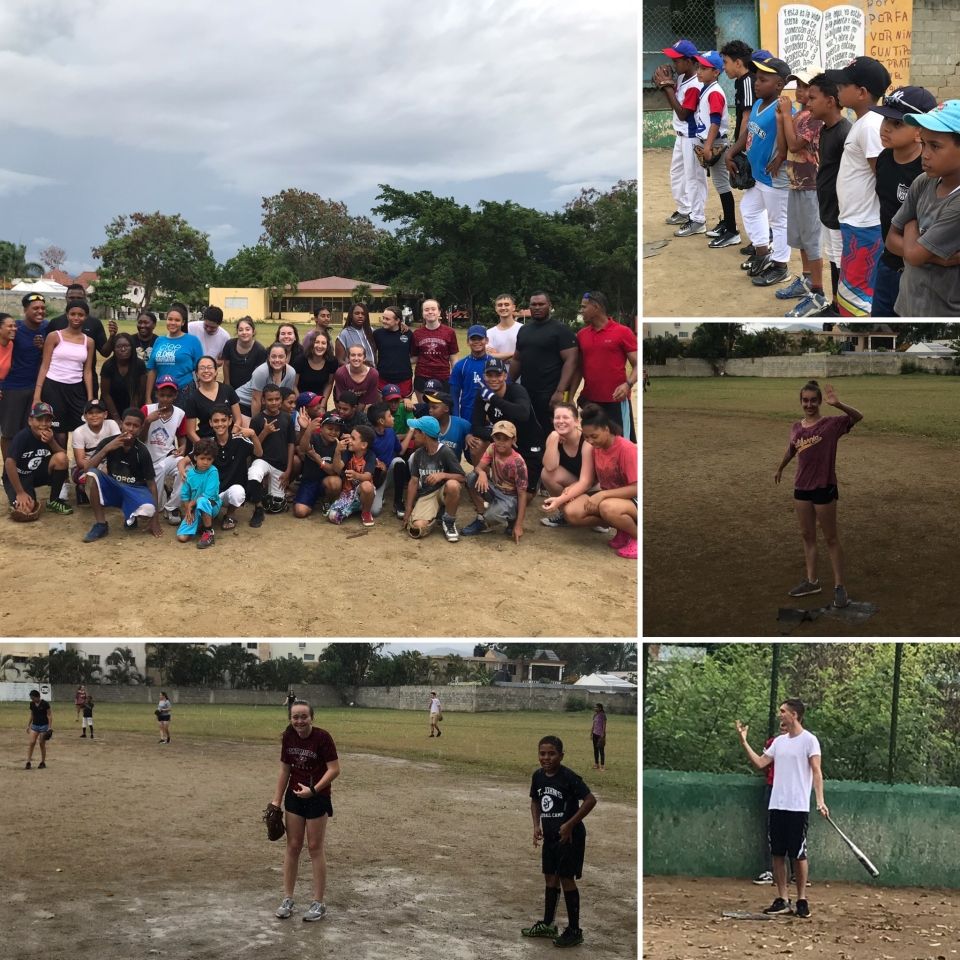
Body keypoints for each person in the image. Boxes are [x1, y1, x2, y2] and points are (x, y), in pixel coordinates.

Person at [736, 699, 828, 920]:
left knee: (798, 854)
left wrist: (820, 800)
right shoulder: (778, 742)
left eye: (783, 711)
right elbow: (760, 763)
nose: (780, 715)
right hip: (777, 804)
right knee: (777, 854)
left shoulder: (810, 741)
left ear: (794, 715)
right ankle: (782, 899)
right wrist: (743, 741)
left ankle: (802, 899)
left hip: (797, 807)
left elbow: (817, 772)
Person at [774, 380, 863, 608]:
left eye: (814, 400)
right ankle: (812, 581)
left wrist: (839, 404)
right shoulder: (796, 427)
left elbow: (858, 417)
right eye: (805, 400)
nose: (809, 404)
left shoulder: (831, 425)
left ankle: (839, 586)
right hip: (801, 488)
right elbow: (793, 449)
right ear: (801, 401)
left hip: (824, 487)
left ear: (820, 401)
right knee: (807, 536)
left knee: (831, 538)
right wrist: (781, 467)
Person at [823, 56, 892, 316]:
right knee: (852, 291)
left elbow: (882, 179)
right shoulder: (864, 123)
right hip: (856, 222)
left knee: (858, 297)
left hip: (866, 225)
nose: (837, 89)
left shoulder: (871, 126)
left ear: (862, 92)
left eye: (843, 85)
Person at [521, 735, 597, 949]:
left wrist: (571, 824)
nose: (546, 758)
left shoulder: (568, 777)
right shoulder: (538, 777)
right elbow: (536, 801)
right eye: (542, 754)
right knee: (550, 878)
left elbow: (590, 800)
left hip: (570, 838)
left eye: (552, 754)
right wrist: (536, 825)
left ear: (561, 756)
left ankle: (574, 930)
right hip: (551, 837)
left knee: (566, 879)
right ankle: (547, 924)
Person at [886, 99, 960, 316]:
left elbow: (915, 254)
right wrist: (937, 257)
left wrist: (910, 224)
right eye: (924, 144)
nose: (925, 154)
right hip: (908, 303)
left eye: (935, 146)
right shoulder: (924, 181)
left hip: (942, 312)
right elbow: (890, 240)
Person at [869, 86, 936, 317]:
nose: (886, 127)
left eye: (897, 123)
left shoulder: (928, 172)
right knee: (879, 318)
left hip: (919, 270)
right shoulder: (884, 159)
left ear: (920, 130)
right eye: (885, 119)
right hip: (887, 263)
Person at [271, 699, 341, 923]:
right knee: (293, 846)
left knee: (314, 847)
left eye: (304, 716)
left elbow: (334, 769)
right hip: (294, 797)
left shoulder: (322, 738)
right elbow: (285, 770)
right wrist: (276, 801)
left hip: (317, 797)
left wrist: (314, 789)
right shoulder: (288, 736)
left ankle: (318, 903)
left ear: (312, 717)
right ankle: (288, 899)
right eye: (295, 717)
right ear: (290, 719)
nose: (299, 721)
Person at [726, 57, 793, 287]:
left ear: (779, 85)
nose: (757, 82)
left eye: (764, 79)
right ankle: (763, 252)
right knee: (749, 209)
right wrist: (731, 152)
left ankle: (781, 266)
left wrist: (781, 157)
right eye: (757, 78)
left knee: (779, 221)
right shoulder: (758, 104)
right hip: (758, 175)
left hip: (774, 177)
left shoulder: (783, 108)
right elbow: (748, 132)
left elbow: (790, 139)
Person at [549, 404, 637, 559]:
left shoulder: (626, 449)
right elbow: (585, 481)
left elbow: (637, 488)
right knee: (571, 511)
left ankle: (637, 537)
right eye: (586, 437)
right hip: (613, 498)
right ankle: (622, 529)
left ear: (607, 429)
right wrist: (559, 500)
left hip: (634, 501)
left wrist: (602, 495)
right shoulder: (596, 448)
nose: (589, 441)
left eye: (594, 436)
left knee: (607, 506)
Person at [775, 68, 827, 317]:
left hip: (810, 185)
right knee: (801, 237)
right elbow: (785, 148)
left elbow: (796, 144)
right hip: (796, 182)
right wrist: (781, 120)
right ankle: (807, 280)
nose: (800, 91)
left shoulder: (814, 118)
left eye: (805, 87)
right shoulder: (798, 115)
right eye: (798, 86)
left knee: (812, 239)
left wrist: (785, 115)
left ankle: (818, 291)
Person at [806, 73, 852, 316]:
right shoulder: (825, 129)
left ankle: (842, 308)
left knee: (842, 262)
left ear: (831, 101)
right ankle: (836, 304)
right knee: (834, 259)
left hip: (839, 211)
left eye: (813, 98)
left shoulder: (846, 133)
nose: (807, 102)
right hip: (827, 208)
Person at [82, 407, 164, 542]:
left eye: (136, 426)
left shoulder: (142, 451)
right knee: (92, 475)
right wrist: (106, 449)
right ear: (121, 424)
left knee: (148, 510)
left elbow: (151, 484)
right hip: (114, 487)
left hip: (135, 490)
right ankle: (101, 524)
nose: (131, 429)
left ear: (141, 428)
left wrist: (155, 520)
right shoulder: (108, 442)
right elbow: (87, 468)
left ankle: (131, 514)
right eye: (128, 424)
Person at [469, 358, 545, 499]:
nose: (493, 379)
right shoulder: (483, 395)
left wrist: (494, 399)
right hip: (506, 445)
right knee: (476, 443)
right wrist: (500, 438)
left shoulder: (516, 390)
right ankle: (485, 483)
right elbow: (476, 427)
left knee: (525, 496)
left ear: (504, 375)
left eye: (497, 375)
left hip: (528, 443)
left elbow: (523, 414)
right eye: (489, 375)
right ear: (484, 376)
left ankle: (537, 478)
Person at [654, 38, 705, 235]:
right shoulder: (683, 78)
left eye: (677, 60)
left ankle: (698, 219)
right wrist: (669, 85)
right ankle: (685, 210)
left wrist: (667, 88)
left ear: (690, 61)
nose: (674, 64)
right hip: (681, 135)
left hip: (692, 136)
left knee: (694, 178)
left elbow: (684, 113)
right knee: (677, 174)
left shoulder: (694, 85)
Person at [510, 292, 578, 441]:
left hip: (551, 392)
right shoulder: (524, 330)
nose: (537, 307)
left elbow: (571, 360)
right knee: (530, 432)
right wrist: (508, 383)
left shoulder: (561, 330)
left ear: (550, 306)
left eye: (541, 304)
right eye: (533, 304)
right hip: (527, 392)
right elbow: (517, 359)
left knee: (554, 433)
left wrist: (560, 391)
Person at [572, 292, 638, 441]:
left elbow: (637, 365)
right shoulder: (581, 335)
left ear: (595, 307)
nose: (581, 310)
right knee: (591, 443)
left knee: (620, 443)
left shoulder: (623, 332)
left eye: (584, 307)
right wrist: (570, 396)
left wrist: (628, 384)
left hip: (616, 402)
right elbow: (578, 369)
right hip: (590, 401)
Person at [33, 297, 95, 450]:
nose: (76, 318)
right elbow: (44, 366)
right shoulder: (54, 336)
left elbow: (87, 372)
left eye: (80, 315)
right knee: (59, 432)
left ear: (86, 317)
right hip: (53, 387)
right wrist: (37, 395)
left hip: (76, 389)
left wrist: (90, 398)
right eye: (73, 314)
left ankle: (80, 468)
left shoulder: (89, 342)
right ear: (67, 315)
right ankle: (60, 469)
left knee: (83, 428)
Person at [694, 50, 740, 248]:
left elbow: (714, 121)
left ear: (716, 72)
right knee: (720, 186)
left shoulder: (714, 92)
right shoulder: (708, 89)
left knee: (723, 187)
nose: (699, 71)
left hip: (716, 143)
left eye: (704, 68)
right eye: (699, 67)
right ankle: (727, 225)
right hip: (712, 142)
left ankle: (732, 231)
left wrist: (707, 145)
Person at [46, 282, 118, 396]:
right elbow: (46, 355)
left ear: (85, 299)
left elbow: (105, 352)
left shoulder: (94, 323)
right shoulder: (55, 323)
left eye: (79, 298)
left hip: (86, 381)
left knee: (87, 413)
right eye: (71, 298)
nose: (75, 301)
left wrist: (112, 336)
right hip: (58, 381)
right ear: (66, 298)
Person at [461, 420, 528, 542]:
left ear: (513, 440)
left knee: (492, 516)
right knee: (471, 478)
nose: (501, 442)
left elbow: (522, 494)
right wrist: (481, 473)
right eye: (497, 438)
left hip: (510, 497)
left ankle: (511, 519)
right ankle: (482, 516)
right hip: (496, 488)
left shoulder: (518, 462)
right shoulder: (492, 448)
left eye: (505, 439)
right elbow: (478, 468)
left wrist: (519, 525)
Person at [0, 293, 48, 463]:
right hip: (12, 388)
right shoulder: (15, 329)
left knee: (31, 430)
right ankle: (8, 469)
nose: (40, 311)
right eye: (35, 308)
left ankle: (24, 466)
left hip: (37, 388)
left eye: (43, 308)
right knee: (9, 432)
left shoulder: (47, 328)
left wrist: (43, 348)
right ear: (25, 310)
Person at [3, 401, 72, 516]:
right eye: (39, 419)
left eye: (48, 420)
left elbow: (64, 457)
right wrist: (20, 492)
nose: (43, 424)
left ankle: (54, 501)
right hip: (19, 476)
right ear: (30, 421)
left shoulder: (50, 434)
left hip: (36, 473)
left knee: (61, 458)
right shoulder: (23, 436)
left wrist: (51, 442)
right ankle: (19, 497)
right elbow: (9, 463)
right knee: (26, 510)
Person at [403, 415, 465, 541]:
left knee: (453, 485)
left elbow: (462, 477)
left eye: (416, 431)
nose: (414, 434)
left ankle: (449, 521)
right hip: (427, 494)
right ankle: (437, 515)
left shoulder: (445, 452)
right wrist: (408, 509)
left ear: (424, 434)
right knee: (418, 527)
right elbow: (414, 482)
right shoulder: (418, 454)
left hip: (443, 490)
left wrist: (443, 475)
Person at [141, 375, 188, 525]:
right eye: (162, 395)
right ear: (156, 394)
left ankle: (172, 506)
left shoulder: (180, 413)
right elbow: (140, 439)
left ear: (175, 395)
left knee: (185, 467)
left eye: (169, 395)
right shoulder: (147, 410)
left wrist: (182, 447)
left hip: (168, 457)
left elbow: (182, 437)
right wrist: (148, 421)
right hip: (147, 459)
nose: (165, 399)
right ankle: (164, 500)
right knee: (156, 506)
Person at [539, 403, 596, 528]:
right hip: (575, 481)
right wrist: (554, 438)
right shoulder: (553, 437)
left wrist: (572, 488)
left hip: (594, 485)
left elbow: (587, 481)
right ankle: (564, 513)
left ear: (576, 422)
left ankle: (595, 516)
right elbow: (549, 467)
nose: (560, 421)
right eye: (557, 417)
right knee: (547, 474)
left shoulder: (587, 442)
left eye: (565, 417)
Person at [248, 383, 296, 528]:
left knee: (275, 506)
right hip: (262, 460)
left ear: (281, 400)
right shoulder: (256, 420)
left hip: (280, 464)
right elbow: (252, 448)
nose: (274, 402)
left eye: (277, 399)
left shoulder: (287, 418)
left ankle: (262, 495)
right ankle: (258, 508)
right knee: (254, 474)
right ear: (263, 400)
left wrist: (288, 470)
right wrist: (265, 432)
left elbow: (291, 444)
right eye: (270, 399)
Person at [145, 305, 204, 399]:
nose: (173, 323)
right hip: (161, 391)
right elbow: (152, 369)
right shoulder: (159, 340)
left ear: (183, 322)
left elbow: (200, 368)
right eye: (170, 319)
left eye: (177, 320)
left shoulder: (193, 340)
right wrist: (147, 397)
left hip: (184, 390)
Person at [181, 356, 242, 443]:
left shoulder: (228, 390)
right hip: (207, 441)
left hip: (230, 438)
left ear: (216, 371)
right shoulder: (192, 398)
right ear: (197, 373)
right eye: (202, 368)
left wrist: (230, 439)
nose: (206, 371)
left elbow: (238, 419)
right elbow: (190, 432)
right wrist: (205, 448)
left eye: (210, 367)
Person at [294, 412, 344, 518]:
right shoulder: (314, 438)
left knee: (335, 482)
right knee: (300, 512)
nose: (334, 432)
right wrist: (308, 430)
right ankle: (311, 499)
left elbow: (333, 471)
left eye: (337, 430)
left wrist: (316, 457)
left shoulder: (340, 445)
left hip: (326, 483)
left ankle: (327, 500)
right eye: (330, 428)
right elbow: (303, 448)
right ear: (321, 428)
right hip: (310, 481)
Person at [72, 399, 120, 505]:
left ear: (105, 414)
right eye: (90, 413)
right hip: (84, 466)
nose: (94, 415)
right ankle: (82, 489)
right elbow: (80, 462)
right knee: (91, 476)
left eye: (98, 412)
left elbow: (118, 448)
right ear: (84, 416)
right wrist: (100, 469)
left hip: (107, 463)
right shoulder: (79, 432)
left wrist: (108, 467)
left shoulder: (112, 424)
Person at [326, 424, 376, 526]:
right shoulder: (348, 452)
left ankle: (366, 512)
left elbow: (368, 476)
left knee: (367, 486)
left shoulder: (370, 456)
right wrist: (337, 451)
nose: (349, 440)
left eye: (353, 438)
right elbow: (337, 468)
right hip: (347, 493)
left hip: (362, 492)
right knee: (333, 516)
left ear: (363, 445)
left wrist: (357, 475)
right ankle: (354, 508)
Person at [175, 437, 221, 548]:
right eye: (202, 458)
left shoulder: (213, 471)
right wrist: (188, 510)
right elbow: (185, 495)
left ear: (213, 460)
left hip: (211, 505)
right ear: (195, 457)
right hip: (194, 508)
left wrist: (191, 504)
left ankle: (209, 532)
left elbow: (208, 495)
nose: (205, 462)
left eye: (209, 459)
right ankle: (200, 524)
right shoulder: (190, 474)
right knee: (182, 537)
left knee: (202, 500)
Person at [366, 402, 408, 519]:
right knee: (374, 511)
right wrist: (375, 462)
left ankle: (398, 502)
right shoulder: (369, 436)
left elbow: (400, 451)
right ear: (381, 421)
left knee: (399, 462)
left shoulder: (390, 432)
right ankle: (379, 494)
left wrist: (411, 431)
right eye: (390, 416)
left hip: (388, 473)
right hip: (374, 478)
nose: (393, 418)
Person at [236, 343, 297, 420]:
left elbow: (285, 398)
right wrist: (256, 424)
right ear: (268, 357)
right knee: (250, 431)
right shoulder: (261, 372)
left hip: (265, 406)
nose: (277, 360)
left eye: (281, 357)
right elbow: (256, 400)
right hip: (242, 403)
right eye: (273, 356)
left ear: (286, 358)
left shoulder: (291, 372)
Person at [411, 299, 458, 397]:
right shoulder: (417, 334)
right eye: (426, 309)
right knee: (424, 409)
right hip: (422, 377)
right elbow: (415, 357)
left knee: (441, 410)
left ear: (439, 312)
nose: (430, 312)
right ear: (423, 313)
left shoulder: (449, 332)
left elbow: (453, 358)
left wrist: (456, 377)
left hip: (443, 378)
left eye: (433, 309)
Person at [100, 332, 147, 422]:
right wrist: (116, 419)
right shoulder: (108, 365)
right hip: (111, 407)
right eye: (118, 346)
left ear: (132, 348)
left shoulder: (139, 364)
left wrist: (130, 415)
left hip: (132, 405)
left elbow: (139, 392)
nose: (123, 349)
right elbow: (105, 394)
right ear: (113, 349)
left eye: (127, 346)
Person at [371, 305, 414, 397]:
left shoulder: (408, 333)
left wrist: (402, 363)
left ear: (397, 320)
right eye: (383, 318)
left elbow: (414, 355)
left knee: (403, 408)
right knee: (383, 408)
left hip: (404, 378)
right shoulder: (377, 334)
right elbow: (372, 353)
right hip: (383, 378)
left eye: (387, 319)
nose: (384, 321)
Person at [449, 325, 490, 421]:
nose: (477, 342)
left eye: (480, 338)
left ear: (486, 340)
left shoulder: (494, 363)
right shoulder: (461, 365)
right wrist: (455, 418)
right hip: (467, 413)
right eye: (473, 339)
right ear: (468, 342)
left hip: (489, 412)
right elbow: (454, 395)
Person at [294, 330, 337, 411]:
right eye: (317, 342)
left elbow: (329, 383)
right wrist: (301, 404)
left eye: (323, 343)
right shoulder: (300, 360)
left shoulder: (332, 361)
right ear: (311, 344)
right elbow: (294, 385)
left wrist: (322, 405)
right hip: (302, 401)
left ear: (327, 346)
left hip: (320, 401)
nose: (320, 346)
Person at [222, 318, 268, 392]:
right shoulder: (230, 344)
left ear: (253, 331)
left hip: (249, 389)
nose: (244, 332)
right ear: (237, 332)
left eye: (247, 329)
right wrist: (227, 384)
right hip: (230, 386)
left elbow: (259, 374)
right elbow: (226, 365)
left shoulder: (260, 350)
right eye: (240, 330)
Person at [424, 390, 471, 462]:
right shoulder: (425, 424)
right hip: (429, 467)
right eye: (429, 407)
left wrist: (470, 435)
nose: (430, 410)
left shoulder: (462, 425)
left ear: (446, 409)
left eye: (434, 407)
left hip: (453, 469)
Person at [333, 345, 380, 409]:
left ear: (364, 358)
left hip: (364, 407)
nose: (356, 358)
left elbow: (369, 401)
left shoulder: (373, 374)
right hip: (345, 407)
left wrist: (359, 415)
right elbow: (342, 401)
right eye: (353, 355)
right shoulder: (341, 373)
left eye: (359, 355)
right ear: (348, 357)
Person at [485, 294, 523, 362]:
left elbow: (526, 355)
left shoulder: (523, 329)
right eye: (500, 305)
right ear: (496, 308)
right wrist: (516, 355)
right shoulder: (489, 333)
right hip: (497, 372)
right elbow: (489, 357)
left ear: (513, 307)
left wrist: (499, 356)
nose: (503, 308)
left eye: (506, 304)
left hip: (520, 372)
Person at [25, 688, 53, 769]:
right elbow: (32, 715)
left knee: (41, 743)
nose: (32, 699)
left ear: (38, 697)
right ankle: (28, 762)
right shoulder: (32, 704)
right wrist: (28, 725)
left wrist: (49, 727)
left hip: (44, 726)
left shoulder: (45, 704)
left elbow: (49, 715)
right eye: (31, 698)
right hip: (35, 726)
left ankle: (43, 762)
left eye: (33, 698)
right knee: (32, 742)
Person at [590, 704, 606, 771]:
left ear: (600, 708)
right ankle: (596, 764)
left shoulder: (603, 715)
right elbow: (593, 725)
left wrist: (603, 733)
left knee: (601, 750)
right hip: (594, 734)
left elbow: (604, 725)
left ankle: (602, 766)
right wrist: (591, 733)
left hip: (600, 735)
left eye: (596, 707)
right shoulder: (595, 715)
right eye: (595, 707)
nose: (595, 708)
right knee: (595, 750)